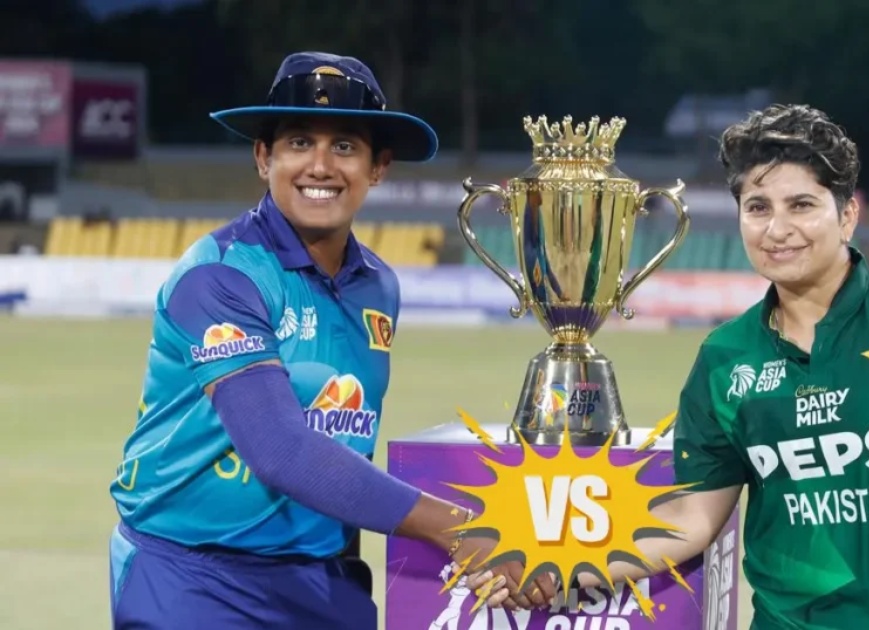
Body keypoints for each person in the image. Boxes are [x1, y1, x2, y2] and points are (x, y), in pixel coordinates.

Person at [474, 104, 869, 629]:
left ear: (847, 215)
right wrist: (556, 567)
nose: (777, 228)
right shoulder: (725, 357)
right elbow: (692, 519)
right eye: (758, 208)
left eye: (802, 205)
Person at [107, 51, 552, 629]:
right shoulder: (220, 276)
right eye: (298, 142)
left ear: (378, 166)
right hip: (191, 581)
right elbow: (279, 448)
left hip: (323, 580)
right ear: (263, 157)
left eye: (344, 146)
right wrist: (459, 527)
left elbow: (344, 444)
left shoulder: (378, 286)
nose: (320, 166)